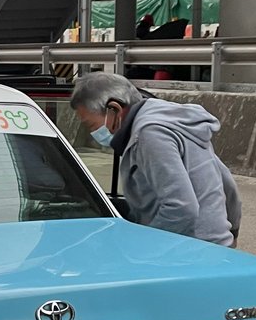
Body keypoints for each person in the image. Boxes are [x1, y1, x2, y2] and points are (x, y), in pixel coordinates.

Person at [70, 72, 241, 246]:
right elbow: (226, 181)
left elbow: (181, 208)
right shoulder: (175, 121)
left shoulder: (150, 134)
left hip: (189, 249)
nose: (93, 133)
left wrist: (143, 248)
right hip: (215, 245)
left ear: (114, 109)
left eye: (92, 125)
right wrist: (231, 233)